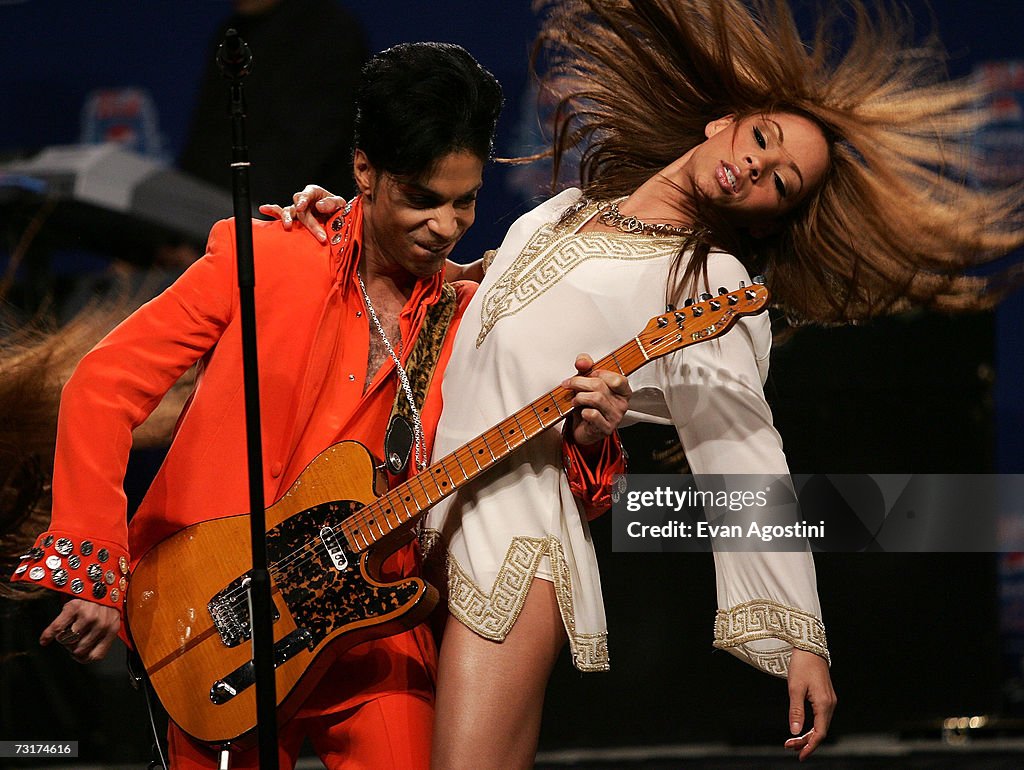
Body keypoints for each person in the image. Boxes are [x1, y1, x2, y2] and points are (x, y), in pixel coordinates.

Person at [279, 0, 1024, 766]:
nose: (759, 166)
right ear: (723, 123)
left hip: (512, 545)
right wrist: (351, 224)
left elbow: (743, 448)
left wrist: (801, 637)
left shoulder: (709, 283)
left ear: (773, 218)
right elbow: (449, 303)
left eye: (782, 181)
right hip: (408, 530)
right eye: (763, 138)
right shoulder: (565, 213)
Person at [9, 41, 628, 770]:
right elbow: (103, 384)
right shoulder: (265, 257)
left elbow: (561, 494)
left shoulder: (472, 319)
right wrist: (95, 567)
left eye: (464, 202)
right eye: (422, 199)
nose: (447, 225)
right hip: (210, 615)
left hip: (374, 631)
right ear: (364, 171)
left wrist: (590, 437)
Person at [179, 0, 370, 204]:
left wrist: (233, 214)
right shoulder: (232, 33)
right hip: (214, 213)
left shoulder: (331, 32)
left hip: (297, 216)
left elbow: (306, 148)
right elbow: (205, 139)